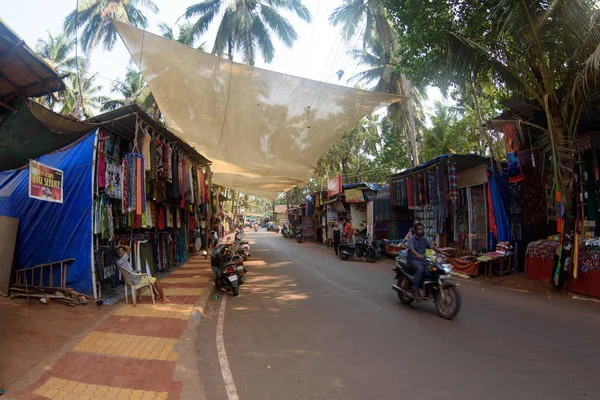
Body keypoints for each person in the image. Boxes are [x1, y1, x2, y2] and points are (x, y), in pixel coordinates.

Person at [406, 223, 446, 295]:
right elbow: (411, 249)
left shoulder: (424, 239)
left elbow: (431, 246)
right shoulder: (411, 239)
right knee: (420, 269)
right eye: (419, 229)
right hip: (413, 260)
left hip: (422, 260)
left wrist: (442, 252)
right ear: (415, 230)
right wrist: (417, 255)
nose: (421, 231)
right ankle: (415, 288)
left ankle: (431, 284)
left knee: (433, 267)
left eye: (422, 229)